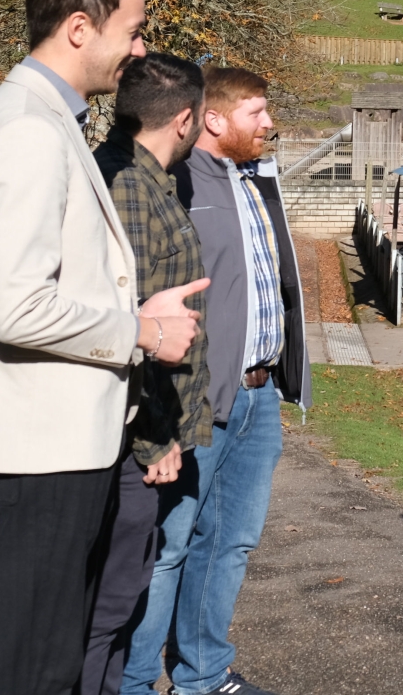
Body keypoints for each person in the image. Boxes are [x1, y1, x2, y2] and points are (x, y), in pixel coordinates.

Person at [0, 0, 206, 695]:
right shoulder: (28, 129)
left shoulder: (44, 119)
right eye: (135, 30)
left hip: (54, 439)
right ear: (81, 28)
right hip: (41, 444)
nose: (141, 49)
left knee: (41, 658)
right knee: (29, 667)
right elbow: (20, 307)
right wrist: (140, 330)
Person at [124, 65, 309, 695]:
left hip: (261, 398)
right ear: (213, 119)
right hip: (196, 399)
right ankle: (136, 680)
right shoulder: (173, 184)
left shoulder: (256, 181)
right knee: (170, 548)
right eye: (256, 113)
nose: (269, 124)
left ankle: (202, 676)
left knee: (230, 545)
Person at [83, 54, 213, 695]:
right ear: (185, 119)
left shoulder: (153, 178)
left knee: (121, 596)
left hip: (154, 430)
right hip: (137, 439)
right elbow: (123, 323)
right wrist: (154, 437)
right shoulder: (128, 188)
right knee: (109, 608)